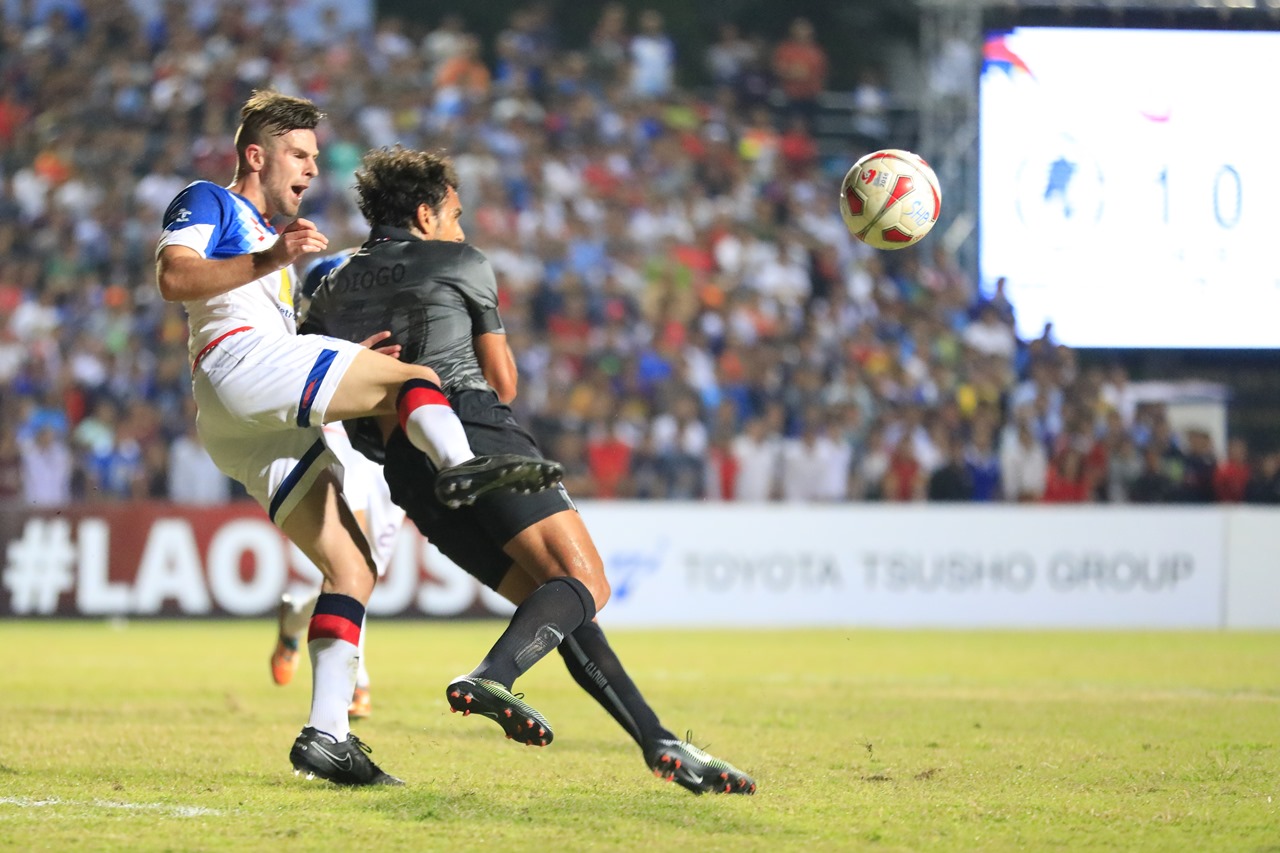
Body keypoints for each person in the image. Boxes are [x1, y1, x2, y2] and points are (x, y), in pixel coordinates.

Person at [302, 145, 757, 795]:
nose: (461, 228)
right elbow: (502, 378)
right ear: (427, 214)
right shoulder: (458, 261)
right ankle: (492, 673)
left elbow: (315, 384)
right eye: (455, 214)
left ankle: (659, 740)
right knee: (586, 585)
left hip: (406, 466)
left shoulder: (330, 286)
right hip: (472, 429)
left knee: (552, 605)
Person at [155, 91, 564, 788]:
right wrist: (269, 259)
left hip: (245, 415)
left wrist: (339, 349)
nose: (312, 168)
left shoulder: (267, 244)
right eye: (300, 154)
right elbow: (173, 276)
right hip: (235, 363)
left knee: (352, 570)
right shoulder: (211, 201)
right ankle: (464, 468)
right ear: (256, 155)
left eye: (315, 156)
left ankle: (327, 734)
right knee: (415, 378)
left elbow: (274, 326)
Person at [269, 252, 408, 722]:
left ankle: (295, 615)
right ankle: (356, 684)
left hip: (387, 448)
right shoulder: (316, 335)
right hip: (341, 435)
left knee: (365, 568)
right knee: (359, 561)